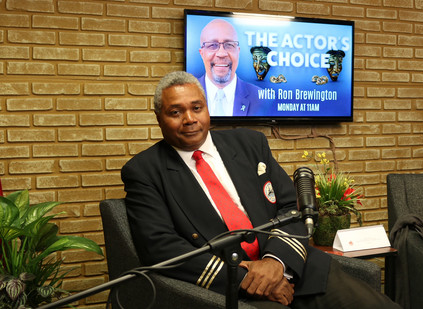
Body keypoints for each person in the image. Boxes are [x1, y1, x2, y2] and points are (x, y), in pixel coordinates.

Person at [122, 71, 400, 308]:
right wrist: (247, 279)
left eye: (197, 108)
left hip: (295, 265)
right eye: (175, 112)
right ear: (159, 117)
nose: (190, 119)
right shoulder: (145, 171)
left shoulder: (249, 144)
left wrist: (276, 263)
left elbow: (291, 207)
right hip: (232, 289)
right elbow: (161, 247)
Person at [197, 19, 264, 116]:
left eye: (229, 45)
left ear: (238, 52)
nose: (221, 53)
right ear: (202, 53)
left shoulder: (262, 99)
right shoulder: (186, 94)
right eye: (212, 45)